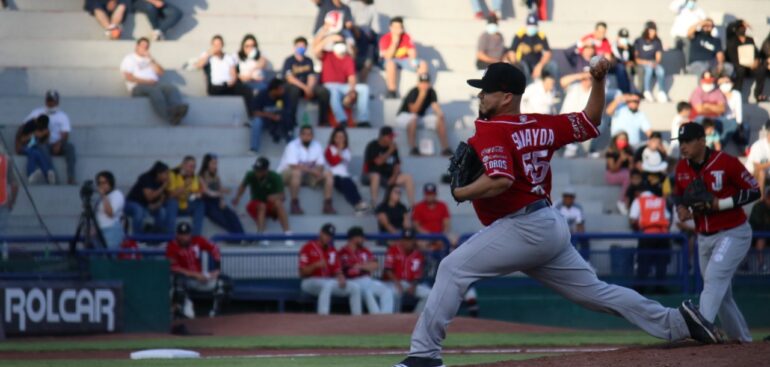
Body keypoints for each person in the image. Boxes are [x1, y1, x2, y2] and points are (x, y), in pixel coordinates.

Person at [392, 61, 720, 367]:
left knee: (451, 268)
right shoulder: (542, 123)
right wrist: (598, 81)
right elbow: (591, 119)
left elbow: (500, 180)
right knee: (596, 292)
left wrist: (460, 192)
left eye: (486, 90)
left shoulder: (491, 130)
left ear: (506, 97)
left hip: (523, 226)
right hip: (547, 223)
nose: (481, 95)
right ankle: (677, 322)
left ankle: (424, 355)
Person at [674, 122, 760, 343]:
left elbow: (754, 191)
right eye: (681, 142)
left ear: (702, 140)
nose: (683, 146)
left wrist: (720, 204)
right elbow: (678, 195)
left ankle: (699, 331)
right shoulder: (681, 168)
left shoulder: (726, 162)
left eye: (688, 141)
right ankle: (742, 340)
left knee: (713, 279)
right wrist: (681, 208)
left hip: (733, 232)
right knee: (722, 294)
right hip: (704, 236)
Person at [166, 222, 230, 318]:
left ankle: (215, 312)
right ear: (177, 235)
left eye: (186, 234)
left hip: (200, 277)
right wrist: (195, 275)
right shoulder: (172, 246)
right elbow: (174, 267)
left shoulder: (197, 240)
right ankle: (181, 310)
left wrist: (216, 269)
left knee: (225, 282)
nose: (184, 237)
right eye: (181, 235)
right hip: (186, 278)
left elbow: (214, 248)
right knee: (178, 281)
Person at [120, 38, 188, 125]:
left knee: (171, 88)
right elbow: (128, 77)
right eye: (142, 46)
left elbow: (161, 72)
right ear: (137, 46)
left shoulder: (149, 59)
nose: (144, 48)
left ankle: (177, 108)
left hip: (154, 84)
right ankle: (169, 115)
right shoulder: (129, 58)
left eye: (147, 47)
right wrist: (147, 82)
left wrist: (151, 59)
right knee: (155, 91)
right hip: (137, 87)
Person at [299, 223, 362, 315]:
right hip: (309, 281)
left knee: (355, 287)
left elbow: (337, 269)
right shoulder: (307, 247)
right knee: (328, 285)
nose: (328, 238)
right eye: (326, 234)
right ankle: (323, 316)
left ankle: (358, 318)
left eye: (330, 236)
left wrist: (341, 277)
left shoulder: (332, 250)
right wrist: (314, 265)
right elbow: (302, 273)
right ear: (320, 233)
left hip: (328, 281)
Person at [314, 28, 371, 127]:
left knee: (364, 89)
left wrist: (352, 91)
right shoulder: (327, 55)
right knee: (333, 92)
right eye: (338, 43)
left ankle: (363, 119)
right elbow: (315, 50)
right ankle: (341, 119)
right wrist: (329, 38)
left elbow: (351, 77)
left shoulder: (348, 59)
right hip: (329, 85)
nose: (340, 45)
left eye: (342, 42)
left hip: (343, 86)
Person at [231, 157, 292, 246]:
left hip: (270, 204)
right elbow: (243, 186)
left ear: (266, 170)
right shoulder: (250, 175)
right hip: (256, 203)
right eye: (256, 169)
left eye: (260, 170)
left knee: (278, 203)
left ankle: (288, 234)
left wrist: (274, 196)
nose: (257, 172)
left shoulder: (275, 177)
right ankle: (262, 234)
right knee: (261, 206)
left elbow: (282, 196)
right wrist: (237, 197)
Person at [277, 125, 336, 215]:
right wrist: (314, 171)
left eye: (309, 134)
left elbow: (320, 164)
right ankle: (294, 204)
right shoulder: (292, 145)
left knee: (328, 174)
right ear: (300, 135)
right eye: (304, 134)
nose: (306, 136)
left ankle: (327, 205)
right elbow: (293, 165)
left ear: (312, 136)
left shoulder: (317, 145)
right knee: (296, 173)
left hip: (306, 176)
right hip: (287, 174)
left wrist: (319, 173)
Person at [24, 90, 77, 185]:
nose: (51, 103)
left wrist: (59, 143)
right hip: (44, 143)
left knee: (70, 147)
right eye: (49, 100)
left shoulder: (63, 116)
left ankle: (71, 177)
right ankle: (52, 174)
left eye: (53, 100)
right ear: (46, 101)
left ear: (57, 102)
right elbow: (25, 125)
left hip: (58, 143)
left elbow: (65, 133)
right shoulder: (37, 112)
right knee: (42, 146)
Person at [340, 226, 395, 314]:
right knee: (368, 293)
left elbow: (375, 265)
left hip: (367, 280)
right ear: (354, 238)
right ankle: (377, 318)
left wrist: (360, 266)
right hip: (353, 281)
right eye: (361, 237)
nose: (363, 240)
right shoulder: (343, 252)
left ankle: (385, 317)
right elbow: (347, 269)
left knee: (387, 291)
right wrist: (365, 266)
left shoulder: (364, 250)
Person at [394, 74, 451, 156]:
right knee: (413, 118)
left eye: (426, 82)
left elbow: (435, 106)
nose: (424, 85)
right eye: (422, 82)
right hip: (404, 116)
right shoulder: (414, 91)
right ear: (418, 83)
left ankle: (445, 148)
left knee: (439, 119)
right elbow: (414, 110)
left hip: (419, 118)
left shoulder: (431, 91)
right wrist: (421, 95)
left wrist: (440, 114)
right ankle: (413, 148)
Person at [629, 184, 671, 294]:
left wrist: (636, 228)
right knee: (661, 263)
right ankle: (660, 288)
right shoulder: (660, 200)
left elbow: (633, 219)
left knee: (643, 262)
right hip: (662, 235)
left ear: (638, 192)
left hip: (647, 235)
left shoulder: (639, 200)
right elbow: (667, 218)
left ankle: (641, 288)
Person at [195, 35, 253, 112]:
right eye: (215, 45)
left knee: (246, 91)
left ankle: (249, 114)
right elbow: (199, 65)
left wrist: (232, 81)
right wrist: (209, 53)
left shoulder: (228, 57)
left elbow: (233, 73)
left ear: (222, 45)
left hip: (229, 85)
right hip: (216, 86)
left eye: (219, 44)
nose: (217, 47)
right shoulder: (208, 56)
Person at [283, 36, 331, 127]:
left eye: (303, 46)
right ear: (294, 47)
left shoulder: (308, 60)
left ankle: (323, 121)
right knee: (293, 90)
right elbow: (290, 78)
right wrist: (305, 88)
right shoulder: (289, 60)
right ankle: (291, 120)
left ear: (306, 47)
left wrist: (309, 88)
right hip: (295, 87)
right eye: (298, 46)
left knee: (323, 92)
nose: (300, 48)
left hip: (307, 87)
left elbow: (311, 76)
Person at [363, 126, 416, 206]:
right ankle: (373, 203)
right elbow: (378, 162)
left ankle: (412, 206)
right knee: (376, 176)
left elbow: (397, 164)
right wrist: (390, 151)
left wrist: (394, 177)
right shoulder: (372, 145)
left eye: (392, 137)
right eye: (390, 137)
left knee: (408, 177)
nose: (392, 139)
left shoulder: (393, 147)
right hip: (370, 174)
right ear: (382, 137)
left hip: (387, 176)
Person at [379, 17, 429, 99]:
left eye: (400, 27)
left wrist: (413, 59)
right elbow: (388, 56)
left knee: (423, 64)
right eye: (395, 27)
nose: (397, 29)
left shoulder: (406, 37)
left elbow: (412, 52)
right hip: (389, 61)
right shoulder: (385, 38)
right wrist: (395, 41)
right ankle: (392, 91)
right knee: (390, 64)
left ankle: (421, 91)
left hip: (404, 61)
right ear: (390, 28)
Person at [383, 229, 431, 313]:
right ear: (401, 240)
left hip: (409, 283)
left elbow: (418, 275)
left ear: (414, 241)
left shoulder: (418, 255)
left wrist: (413, 285)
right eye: (405, 240)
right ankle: (392, 319)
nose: (407, 243)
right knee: (394, 293)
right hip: (393, 283)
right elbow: (388, 270)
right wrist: (397, 283)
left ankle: (415, 317)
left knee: (429, 294)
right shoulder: (393, 250)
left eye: (409, 240)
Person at [324, 127, 369, 214]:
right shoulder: (329, 149)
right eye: (337, 137)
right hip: (332, 175)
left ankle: (358, 205)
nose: (340, 139)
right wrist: (339, 150)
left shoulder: (347, 151)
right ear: (333, 138)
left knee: (349, 183)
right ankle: (358, 204)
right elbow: (333, 162)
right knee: (346, 182)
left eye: (342, 137)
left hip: (344, 176)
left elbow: (345, 161)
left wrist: (340, 151)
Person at [199, 153, 244, 234]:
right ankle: (237, 238)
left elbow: (220, 189)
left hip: (217, 202)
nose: (215, 166)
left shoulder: (216, 176)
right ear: (206, 164)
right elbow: (207, 192)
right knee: (223, 220)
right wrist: (220, 194)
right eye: (213, 163)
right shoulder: (200, 176)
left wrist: (222, 199)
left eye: (216, 163)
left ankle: (243, 236)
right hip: (207, 204)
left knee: (232, 216)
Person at [508, 14, 557, 84]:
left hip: (538, 64)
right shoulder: (519, 35)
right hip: (523, 63)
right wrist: (515, 64)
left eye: (533, 26)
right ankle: (526, 89)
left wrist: (540, 65)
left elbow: (548, 53)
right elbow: (512, 52)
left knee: (553, 65)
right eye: (530, 25)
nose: (532, 28)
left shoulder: (541, 36)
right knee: (523, 68)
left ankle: (557, 91)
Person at [124, 161, 171, 235]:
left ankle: (156, 238)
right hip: (132, 203)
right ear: (158, 174)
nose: (168, 176)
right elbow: (149, 197)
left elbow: (159, 202)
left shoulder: (163, 183)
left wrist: (157, 204)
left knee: (162, 212)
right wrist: (163, 187)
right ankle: (137, 238)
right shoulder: (146, 178)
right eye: (166, 174)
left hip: (146, 206)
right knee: (138, 210)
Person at [725, 19, 766, 103]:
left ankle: (758, 94)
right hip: (737, 66)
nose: (742, 29)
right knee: (740, 70)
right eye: (740, 27)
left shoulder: (749, 39)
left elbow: (756, 52)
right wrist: (741, 22)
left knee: (761, 70)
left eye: (743, 27)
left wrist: (756, 60)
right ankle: (737, 93)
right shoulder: (732, 39)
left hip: (750, 66)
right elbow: (729, 28)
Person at [166, 156, 205, 235]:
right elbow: (170, 195)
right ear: (183, 165)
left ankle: (196, 237)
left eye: (194, 167)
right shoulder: (172, 173)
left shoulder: (194, 175)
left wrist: (197, 194)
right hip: (173, 206)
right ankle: (170, 237)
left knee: (200, 203)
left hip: (186, 204)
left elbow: (194, 193)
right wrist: (184, 185)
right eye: (191, 166)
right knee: (172, 202)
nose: (193, 169)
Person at [250, 78, 291, 150]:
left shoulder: (284, 96)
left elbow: (287, 110)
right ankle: (254, 148)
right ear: (274, 90)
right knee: (257, 122)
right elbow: (255, 112)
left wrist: (280, 117)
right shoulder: (262, 95)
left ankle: (292, 146)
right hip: (265, 119)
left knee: (289, 121)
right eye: (281, 89)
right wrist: (271, 116)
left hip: (279, 120)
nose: (283, 91)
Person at [14, 115, 55, 184]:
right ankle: (45, 172)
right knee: (35, 152)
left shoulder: (45, 127)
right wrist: (33, 135)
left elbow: (44, 142)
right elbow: (21, 139)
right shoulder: (30, 124)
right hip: (24, 146)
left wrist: (45, 135)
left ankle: (45, 174)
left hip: (35, 146)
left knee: (38, 152)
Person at [634, 21, 669, 103]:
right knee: (648, 69)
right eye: (650, 30)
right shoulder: (639, 41)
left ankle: (661, 91)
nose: (652, 32)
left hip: (652, 63)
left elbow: (658, 57)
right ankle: (647, 90)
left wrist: (655, 63)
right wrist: (647, 63)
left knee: (660, 70)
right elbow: (636, 58)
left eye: (654, 30)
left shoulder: (657, 41)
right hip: (642, 63)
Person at [412, 183, 452, 251]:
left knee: (454, 240)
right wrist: (431, 237)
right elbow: (416, 226)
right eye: (428, 194)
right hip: (425, 237)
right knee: (420, 243)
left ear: (435, 194)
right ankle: (427, 260)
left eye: (431, 194)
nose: (430, 196)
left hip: (440, 235)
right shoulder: (418, 207)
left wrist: (441, 236)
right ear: (424, 194)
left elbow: (447, 224)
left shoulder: (442, 205)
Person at [348, 0, 380, 81]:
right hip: (353, 35)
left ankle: (362, 85)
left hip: (366, 38)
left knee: (368, 62)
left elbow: (376, 29)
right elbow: (349, 23)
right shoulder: (351, 4)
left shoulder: (372, 8)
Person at [669, 0, 706, 66]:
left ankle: (686, 68)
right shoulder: (681, 8)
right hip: (678, 35)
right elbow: (672, 7)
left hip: (690, 37)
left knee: (687, 55)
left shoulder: (699, 11)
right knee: (677, 55)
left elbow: (703, 22)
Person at [95, 171, 125, 249]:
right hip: (99, 231)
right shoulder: (100, 199)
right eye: (100, 183)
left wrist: (103, 195)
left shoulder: (117, 194)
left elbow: (110, 213)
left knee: (109, 258)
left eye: (104, 182)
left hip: (111, 230)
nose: (102, 185)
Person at [606, 132, 634, 214]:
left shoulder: (629, 150)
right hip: (611, 175)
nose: (622, 141)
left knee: (630, 176)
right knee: (628, 176)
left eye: (624, 139)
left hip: (624, 173)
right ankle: (621, 201)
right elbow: (612, 169)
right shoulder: (611, 151)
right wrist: (620, 160)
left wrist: (631, 161)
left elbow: (631, 169)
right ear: (616, 140)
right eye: (620, 139)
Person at [717, 75, 744, 147]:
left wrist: (739, 123)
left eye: (727, 82)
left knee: (745, 128)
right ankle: (720, 146)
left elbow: (739, 110)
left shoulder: (736, 94)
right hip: (720, 120)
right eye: (722, 82)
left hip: (733, 119)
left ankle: (744, 148)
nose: (724, 84)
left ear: (732, 83)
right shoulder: (717, 94)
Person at [748, 188, 770, 272]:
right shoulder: (759, 206)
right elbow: (758, 224)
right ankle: (762, 265)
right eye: (769, 197)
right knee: (761, 239)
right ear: (765, 197)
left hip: (767, 235)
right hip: (755, 237)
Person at [746, 120, 770, 196]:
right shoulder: (759, 146)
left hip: (767, 177)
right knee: (761, 172)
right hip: (752, 176)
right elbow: (758, 167)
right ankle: (761, 199)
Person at [0, 145, 19, 234]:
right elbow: (15, 185)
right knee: (2, 235)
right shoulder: (6, 161)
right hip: (3, 201)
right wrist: (12, 201)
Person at [611, 28, 636, 95]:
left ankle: (630, 90)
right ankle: (624, 91)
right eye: (622, 37)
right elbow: (615, 58)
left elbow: (633, 59)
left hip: (627, 67)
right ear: (618, 37)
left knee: (628, 68)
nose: (623, 39)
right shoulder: (613, 46)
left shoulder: (630, 47)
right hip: (616, 66)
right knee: (621, 68)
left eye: (625, 37)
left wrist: (626, 50)